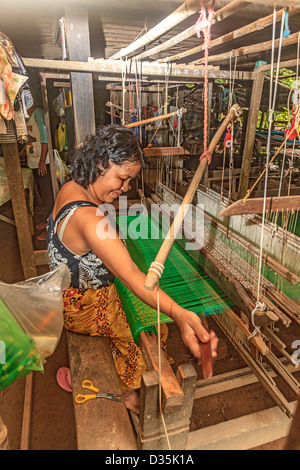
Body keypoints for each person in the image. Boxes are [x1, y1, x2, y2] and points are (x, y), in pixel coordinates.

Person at [46, 125, 218, 413]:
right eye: (123, 178)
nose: (126, 188)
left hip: (68, 298)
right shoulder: (90, 219)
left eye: (129, 181)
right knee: (149, 331)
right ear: (101, 164)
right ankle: (123, 391)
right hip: (86, 309)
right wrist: (179, 312)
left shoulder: (71, 188)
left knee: (147, 317)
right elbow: (134, 277)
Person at [20, 104, 54, 241]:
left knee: (48, 195)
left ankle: (51, 226)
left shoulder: (38, 113)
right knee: (42, 193)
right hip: (34, 162)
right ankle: (48, 221)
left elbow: (45, 139)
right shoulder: (27, 116)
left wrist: (41, 161)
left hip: (42, 162)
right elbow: (29, 140)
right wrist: (21, 153)